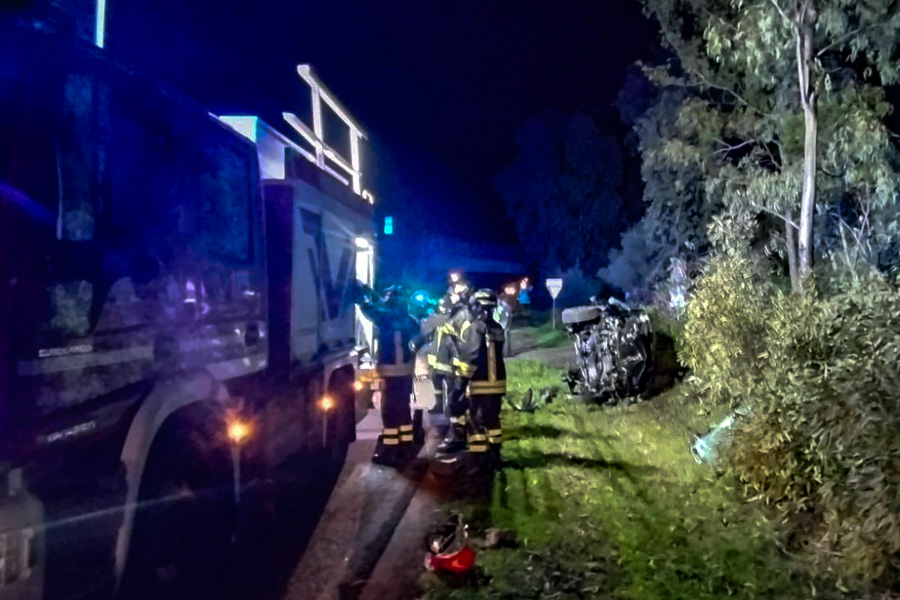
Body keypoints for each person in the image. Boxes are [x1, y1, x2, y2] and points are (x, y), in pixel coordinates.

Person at [357, 284, 421, 466]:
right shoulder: (410, 320)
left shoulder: (385, 319)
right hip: (406, 373)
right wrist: (371, 292)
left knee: (390, 412)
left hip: (390, 374)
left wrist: (361, 299)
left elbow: (371, 311)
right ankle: (406, 448)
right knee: (403, 409)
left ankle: (390, 451)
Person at [449, 289, 507, 465]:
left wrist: (461, 381)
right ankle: (495, 456)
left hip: (480, 383)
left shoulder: (476, 327)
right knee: (493, 420)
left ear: (478, 307)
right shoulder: (497, 327)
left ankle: (479, 460)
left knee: (476, 422)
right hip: (498, 383)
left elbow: (472, 355)